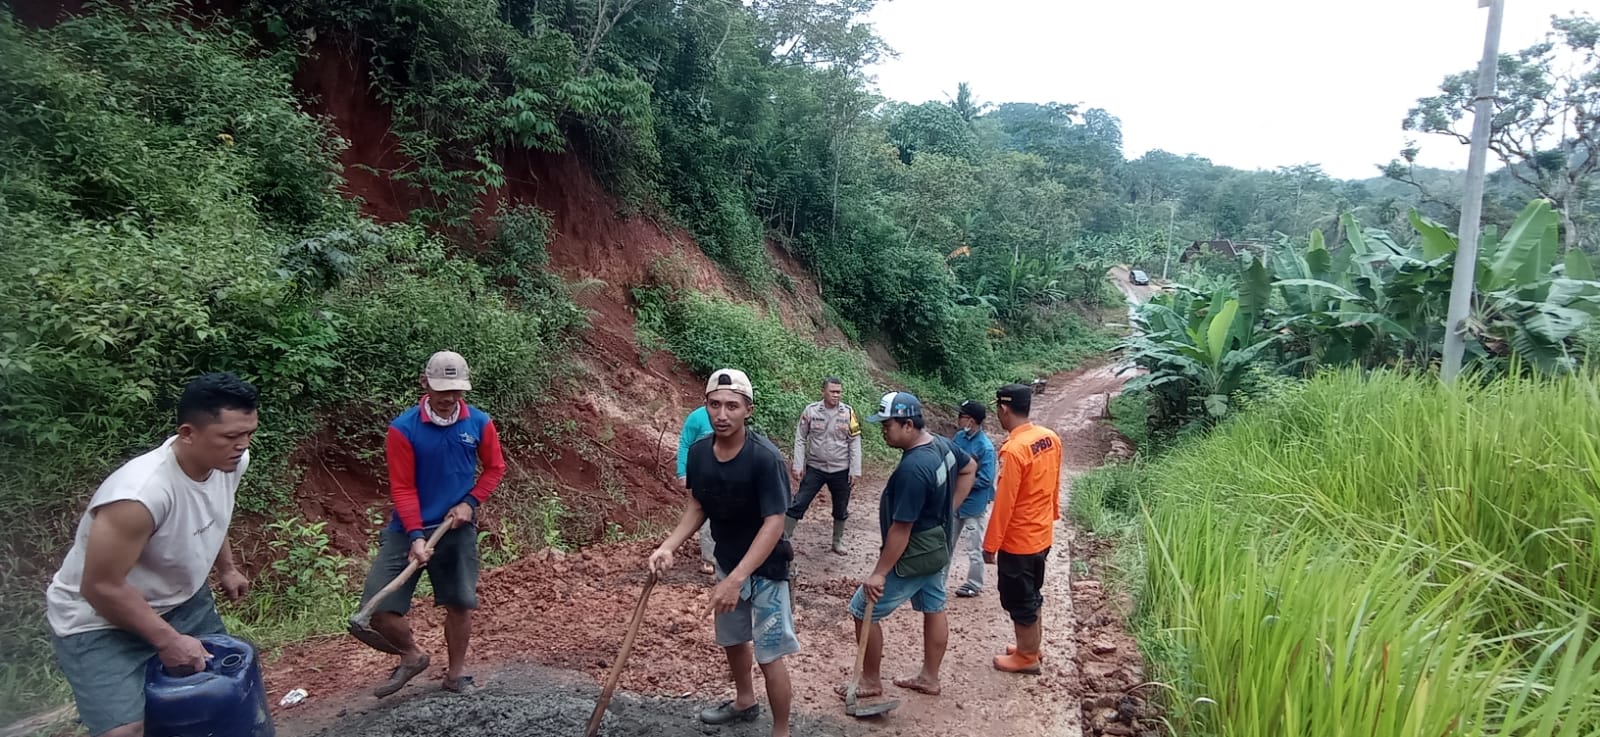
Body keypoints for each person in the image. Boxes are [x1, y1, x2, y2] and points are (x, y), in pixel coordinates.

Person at [45, 373, 260, 737]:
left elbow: (212, 511)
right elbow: (100, 587)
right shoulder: (139, 496)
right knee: (126, 730)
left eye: (249, 433)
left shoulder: (230, 461)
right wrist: (168, 640)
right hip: (98, 620)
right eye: (230, 436)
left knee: (221, 695)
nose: (242, 445)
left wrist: (227, 567)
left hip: (184, 601)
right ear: (188, 433)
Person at [648, 369, 798, 737]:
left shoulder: (765, 459)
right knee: (732, 638)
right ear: (705, 407)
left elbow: (774, 524)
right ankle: (744, 701)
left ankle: (781, 731)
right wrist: (668, 545)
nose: (722, 414)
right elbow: (697, 506)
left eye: (732, 406)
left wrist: (738, 578)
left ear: (749, 410)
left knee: (769, 653)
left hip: (765, 570)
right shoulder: (700, 453)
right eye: (715, 404)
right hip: (727, 562)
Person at [358, 350, 506, 697]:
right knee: (379, 610)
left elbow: (495, 468)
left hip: (456, 527)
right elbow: (403, 487)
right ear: (425, 384)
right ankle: (411, 655)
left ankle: (455, 676)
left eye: (456, 391)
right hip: (406, 529)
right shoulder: (403, 429)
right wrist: (415, 535)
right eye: (442, 390)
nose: (448, 399)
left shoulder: (479, 424)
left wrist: (470, 502)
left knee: (460, 603)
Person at [841, 391, 976, 700]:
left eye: (887, 425)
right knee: (934, 605)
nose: (883, 431)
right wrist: (949, 511)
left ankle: (870, 681)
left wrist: (878, 573)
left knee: (862, 609)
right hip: (938, 546)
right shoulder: (941, 444)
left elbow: (901, 530)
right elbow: (970, 467)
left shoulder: (913, 470)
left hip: (914, 552)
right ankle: (929, 678)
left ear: (908, 425)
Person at [983, 384, 1063, 674]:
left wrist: (991, 544)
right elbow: (1055, 483)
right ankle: (1031, 647)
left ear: (1004, 409)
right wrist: (1052, 514)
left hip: (1019, 542)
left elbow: (1004, 504)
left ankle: (1027, 657)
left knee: (1020, 599)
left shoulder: (1014, 451)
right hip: (1041, 536)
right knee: (1032, 594)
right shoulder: (1049, 438)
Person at [786, 377, 862, 555]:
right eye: (833, 391)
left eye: (839, 392)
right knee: (798, 503)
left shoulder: (848, 413)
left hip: (841, 469)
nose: (837, 395)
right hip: (816, 467)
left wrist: (855, 469)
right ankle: (783, 538)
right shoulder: (811, 411)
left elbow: (855, 441)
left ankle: (837, 541)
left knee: (841, 507)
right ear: (824, 392)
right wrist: (798, 464)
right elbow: (801, 438)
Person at [950, 400, 998, 598]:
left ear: (970, 420)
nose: (958, 419)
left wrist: (963, 480)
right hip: (956, 502)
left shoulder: (985, 448)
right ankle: (936, 579)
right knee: (945, 543)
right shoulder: (959, 437)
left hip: (974, 504)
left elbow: (986, 479)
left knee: (973, 547)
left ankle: (974, 583)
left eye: (961, 416)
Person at [676, 404, 717, 575]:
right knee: (706, 518)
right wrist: (682, 472)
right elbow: (685, 444)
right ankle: (709, 559)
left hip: (728, 476)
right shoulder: (697, 417)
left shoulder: (731, 417)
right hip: (703, 477)